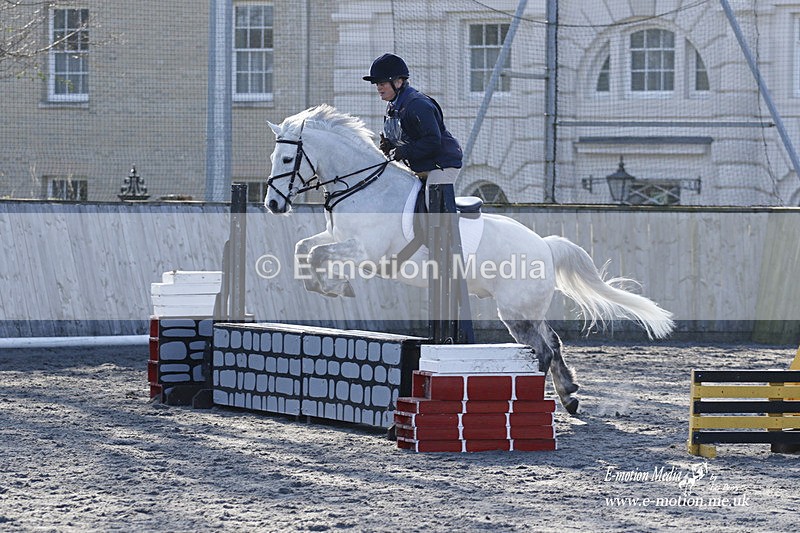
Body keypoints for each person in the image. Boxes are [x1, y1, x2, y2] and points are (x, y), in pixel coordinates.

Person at [363, 53, 463, 188]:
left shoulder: (418, 105)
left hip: (442, 164)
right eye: (377, 84)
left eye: (382, 83)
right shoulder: (393, 106)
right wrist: (391, 145)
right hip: (420, 164)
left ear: (398, 82)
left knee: (432, 199)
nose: (378, 88)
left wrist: (403, 151)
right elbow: (409, 136)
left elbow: (432, 140)